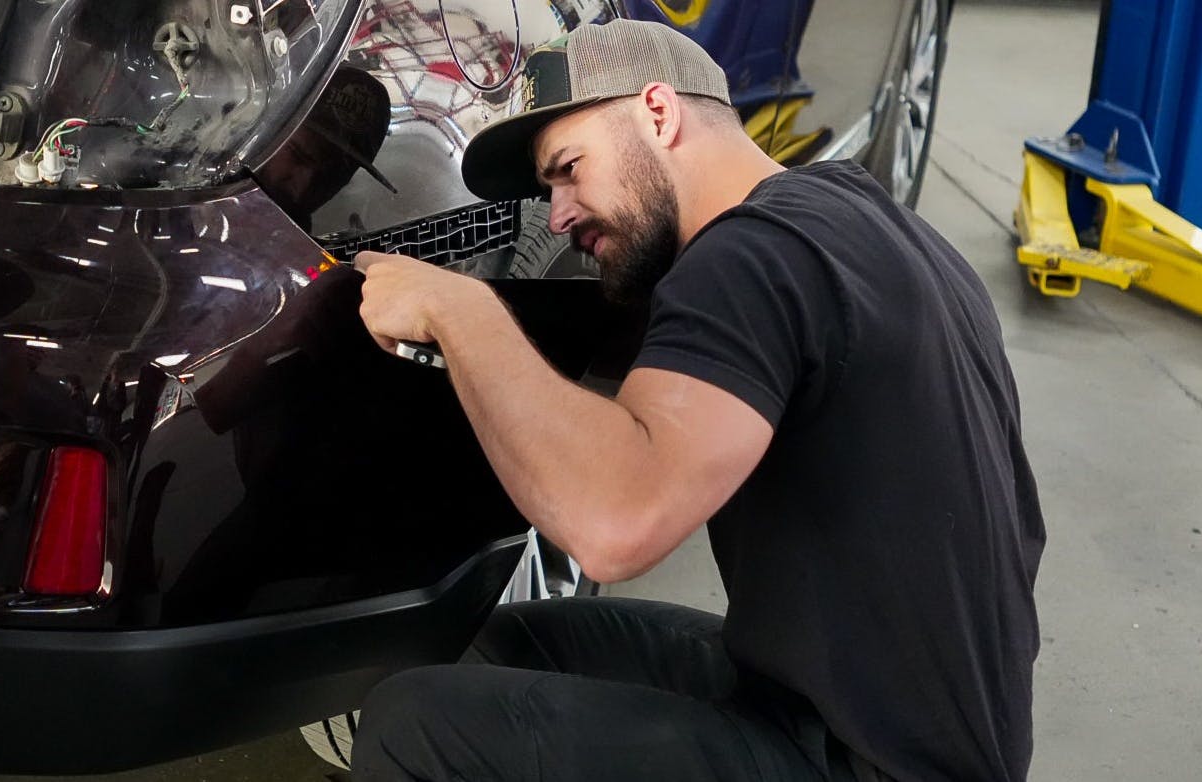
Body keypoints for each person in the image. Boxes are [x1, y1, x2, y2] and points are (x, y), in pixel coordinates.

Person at [351, 19, 1045, 782]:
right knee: (506, 646)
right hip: (865, 707)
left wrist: (463, 313)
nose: (558, 214)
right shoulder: (861, 226)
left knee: (414, 724)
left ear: (657, 111)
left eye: (568, 168)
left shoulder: (745, 257)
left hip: (871, 763)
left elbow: (615, 525)